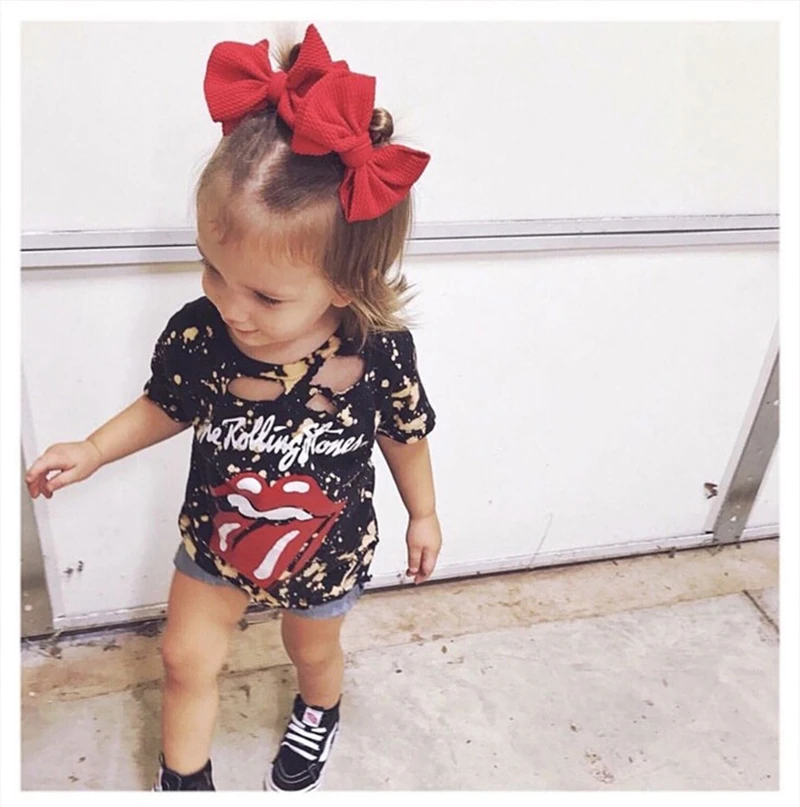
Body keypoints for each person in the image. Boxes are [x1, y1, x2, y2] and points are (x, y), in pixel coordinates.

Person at [24, 23, 442, 792]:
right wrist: (93, 448)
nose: (229, 304)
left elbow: (405, 434)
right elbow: (167, 404)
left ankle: (320, 708)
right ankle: (184, 779)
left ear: (346, 284)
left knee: (312, 651)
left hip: (327, 549)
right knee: (183, 658)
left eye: (264, 295)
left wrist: (424, 514)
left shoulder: (376, 350)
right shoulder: (203, 334)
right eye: (212, 269)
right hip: (217, 542)